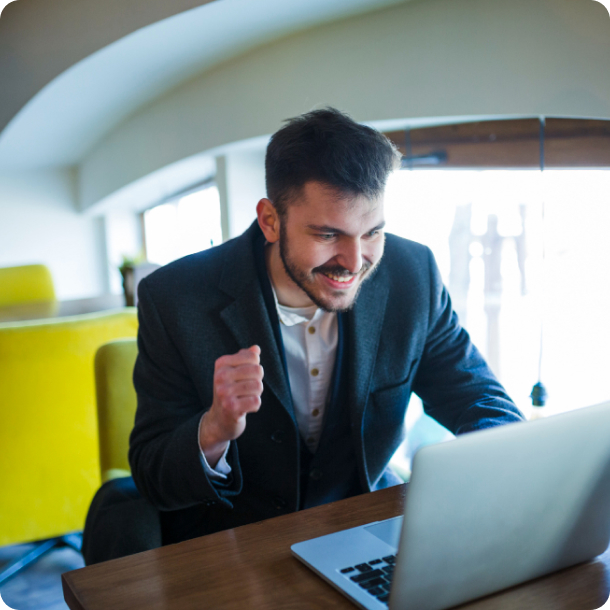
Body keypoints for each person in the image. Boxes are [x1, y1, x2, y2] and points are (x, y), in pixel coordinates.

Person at [83, 108, 523, 563]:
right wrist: (214, 429)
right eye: (329, 234)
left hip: (364, 528)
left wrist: (498, 464)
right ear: (270, 220)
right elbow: (153, 474)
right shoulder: (175, 298)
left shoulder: (413, 275)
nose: (354, 262)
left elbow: (479, 398)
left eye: (373, 232)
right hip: (228, 545)